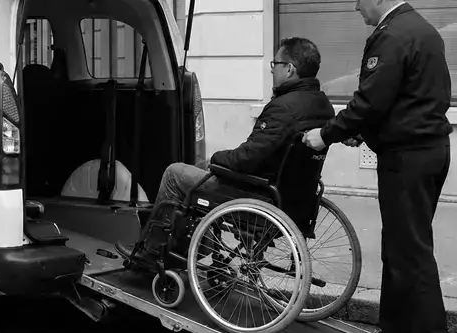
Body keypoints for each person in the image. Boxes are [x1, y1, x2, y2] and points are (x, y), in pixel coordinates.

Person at [303, 0, 452, 333]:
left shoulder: (393, 36)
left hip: (410, 157)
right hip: (422, 151)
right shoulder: (422, 30)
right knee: (399, 250)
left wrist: (326, 135)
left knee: (411, 253)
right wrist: (367, 133)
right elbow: (407, 101)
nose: (356, 7)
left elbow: (371, 101)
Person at [116, 36, 334, 261]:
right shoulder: (322, 105)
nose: (271, 70)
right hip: (295, 199)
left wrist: (217, 158)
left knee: (175, 174)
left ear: (289, 69)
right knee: (200, 173)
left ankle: (152, 250)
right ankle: (191, 246)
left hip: (260, 195)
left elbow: (246, 159)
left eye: (275, 64)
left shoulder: (284, 107)